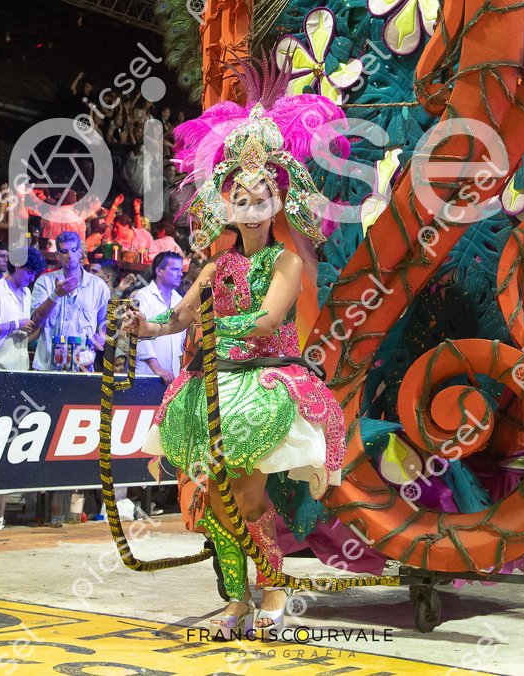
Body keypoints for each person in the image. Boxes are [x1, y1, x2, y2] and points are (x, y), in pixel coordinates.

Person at [123, 69, 346, 638]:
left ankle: (273, 588)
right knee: (216, 502)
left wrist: (219, 325)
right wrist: (140, 327)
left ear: (277, 204)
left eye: (260, 199)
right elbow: (176, 318)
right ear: (227, 206)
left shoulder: (285, 261)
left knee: (244, 497)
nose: (249, 208)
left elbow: (269, 319)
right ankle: (238, 599)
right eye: (239, 199)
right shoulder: (215, 266)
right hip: (212, 387)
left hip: (263, 385)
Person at [30, 231, 109, 371]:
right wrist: (55, 295)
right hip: (47, 367)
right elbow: (36, 320)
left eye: (74, 250)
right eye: (64, 251)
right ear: (57, 255)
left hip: (83, 367)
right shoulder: (45, 282)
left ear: (80, 253)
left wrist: (102, 337)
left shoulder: (98, 286)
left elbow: (106, 323)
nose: (70, 255)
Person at [0, 249, 45, 371]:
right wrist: (16, 324)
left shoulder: (27, 293)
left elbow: (23, 335)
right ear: (17, 266)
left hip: (21, 369)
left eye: (34, 274)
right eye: (29, 273)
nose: (32, 278)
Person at [132, 251, 185, 383]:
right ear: (159, 271)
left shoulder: (180, 300)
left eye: (181, 270)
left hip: (174, 376)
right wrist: (158, 369)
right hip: (149, 375)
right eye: (175, 269)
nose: (180, 274)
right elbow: (139, 336)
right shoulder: (143, 296)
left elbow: (182, 341)